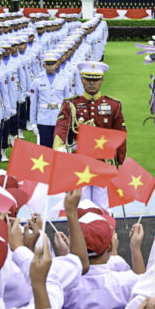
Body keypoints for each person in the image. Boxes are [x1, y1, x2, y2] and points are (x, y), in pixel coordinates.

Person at [54, 61, 127, 209]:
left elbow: (120, 134)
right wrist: (60, 149)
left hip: (103, 162)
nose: (92, 83)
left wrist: (120, 161)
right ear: (81, 80)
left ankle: (105, 231)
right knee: (82, 205)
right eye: (88, 79)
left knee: (103, 205)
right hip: (80, 161)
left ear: (102, 80)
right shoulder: (71, 104)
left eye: (96, 80)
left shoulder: (113, 105)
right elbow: (61, 128)